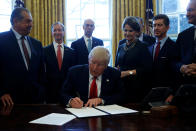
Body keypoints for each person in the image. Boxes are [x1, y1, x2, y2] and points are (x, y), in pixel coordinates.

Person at [0, 7, 45, 106]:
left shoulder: (37, 44)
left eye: (31, 22)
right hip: (10, 102)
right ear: (15, 21)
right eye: (28, 21)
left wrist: (41, 91)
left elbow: (41, 72)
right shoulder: (1, 40)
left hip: (35, 102)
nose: (31, 25)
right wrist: (2, 92)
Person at [115, 16, 152, 103]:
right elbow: (117, 65)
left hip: (137, 87)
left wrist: (128, 73)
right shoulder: (120, 47)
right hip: (121, 86)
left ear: (136, 32)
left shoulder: (143, 46)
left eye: (130, 31)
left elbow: (147, 69)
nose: (127, 33)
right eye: (125, 30)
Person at [44, 22, 76, 103]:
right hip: (50, 92)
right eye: (55, 30)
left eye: (60, 30)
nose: (57, 32)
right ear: (52, 33)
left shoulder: (71, 52)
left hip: (67, 92)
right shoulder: (44, 51)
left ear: (64, 32)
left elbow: (73, 73)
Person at [148, 14, 177, 102]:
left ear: (167, 27)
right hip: (150, 93)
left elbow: (176, 74)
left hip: (166, 94)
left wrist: (173, 93)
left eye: (159, 25)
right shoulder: (149, 48)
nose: (156, 28)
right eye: (154, 25)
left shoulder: (174, 47)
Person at [173, 0, 196, 91]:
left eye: (190, 10)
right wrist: (181, 67)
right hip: (186, 91)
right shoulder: (183, 36)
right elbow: (174, 61)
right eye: (187, 11)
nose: (187, 14)